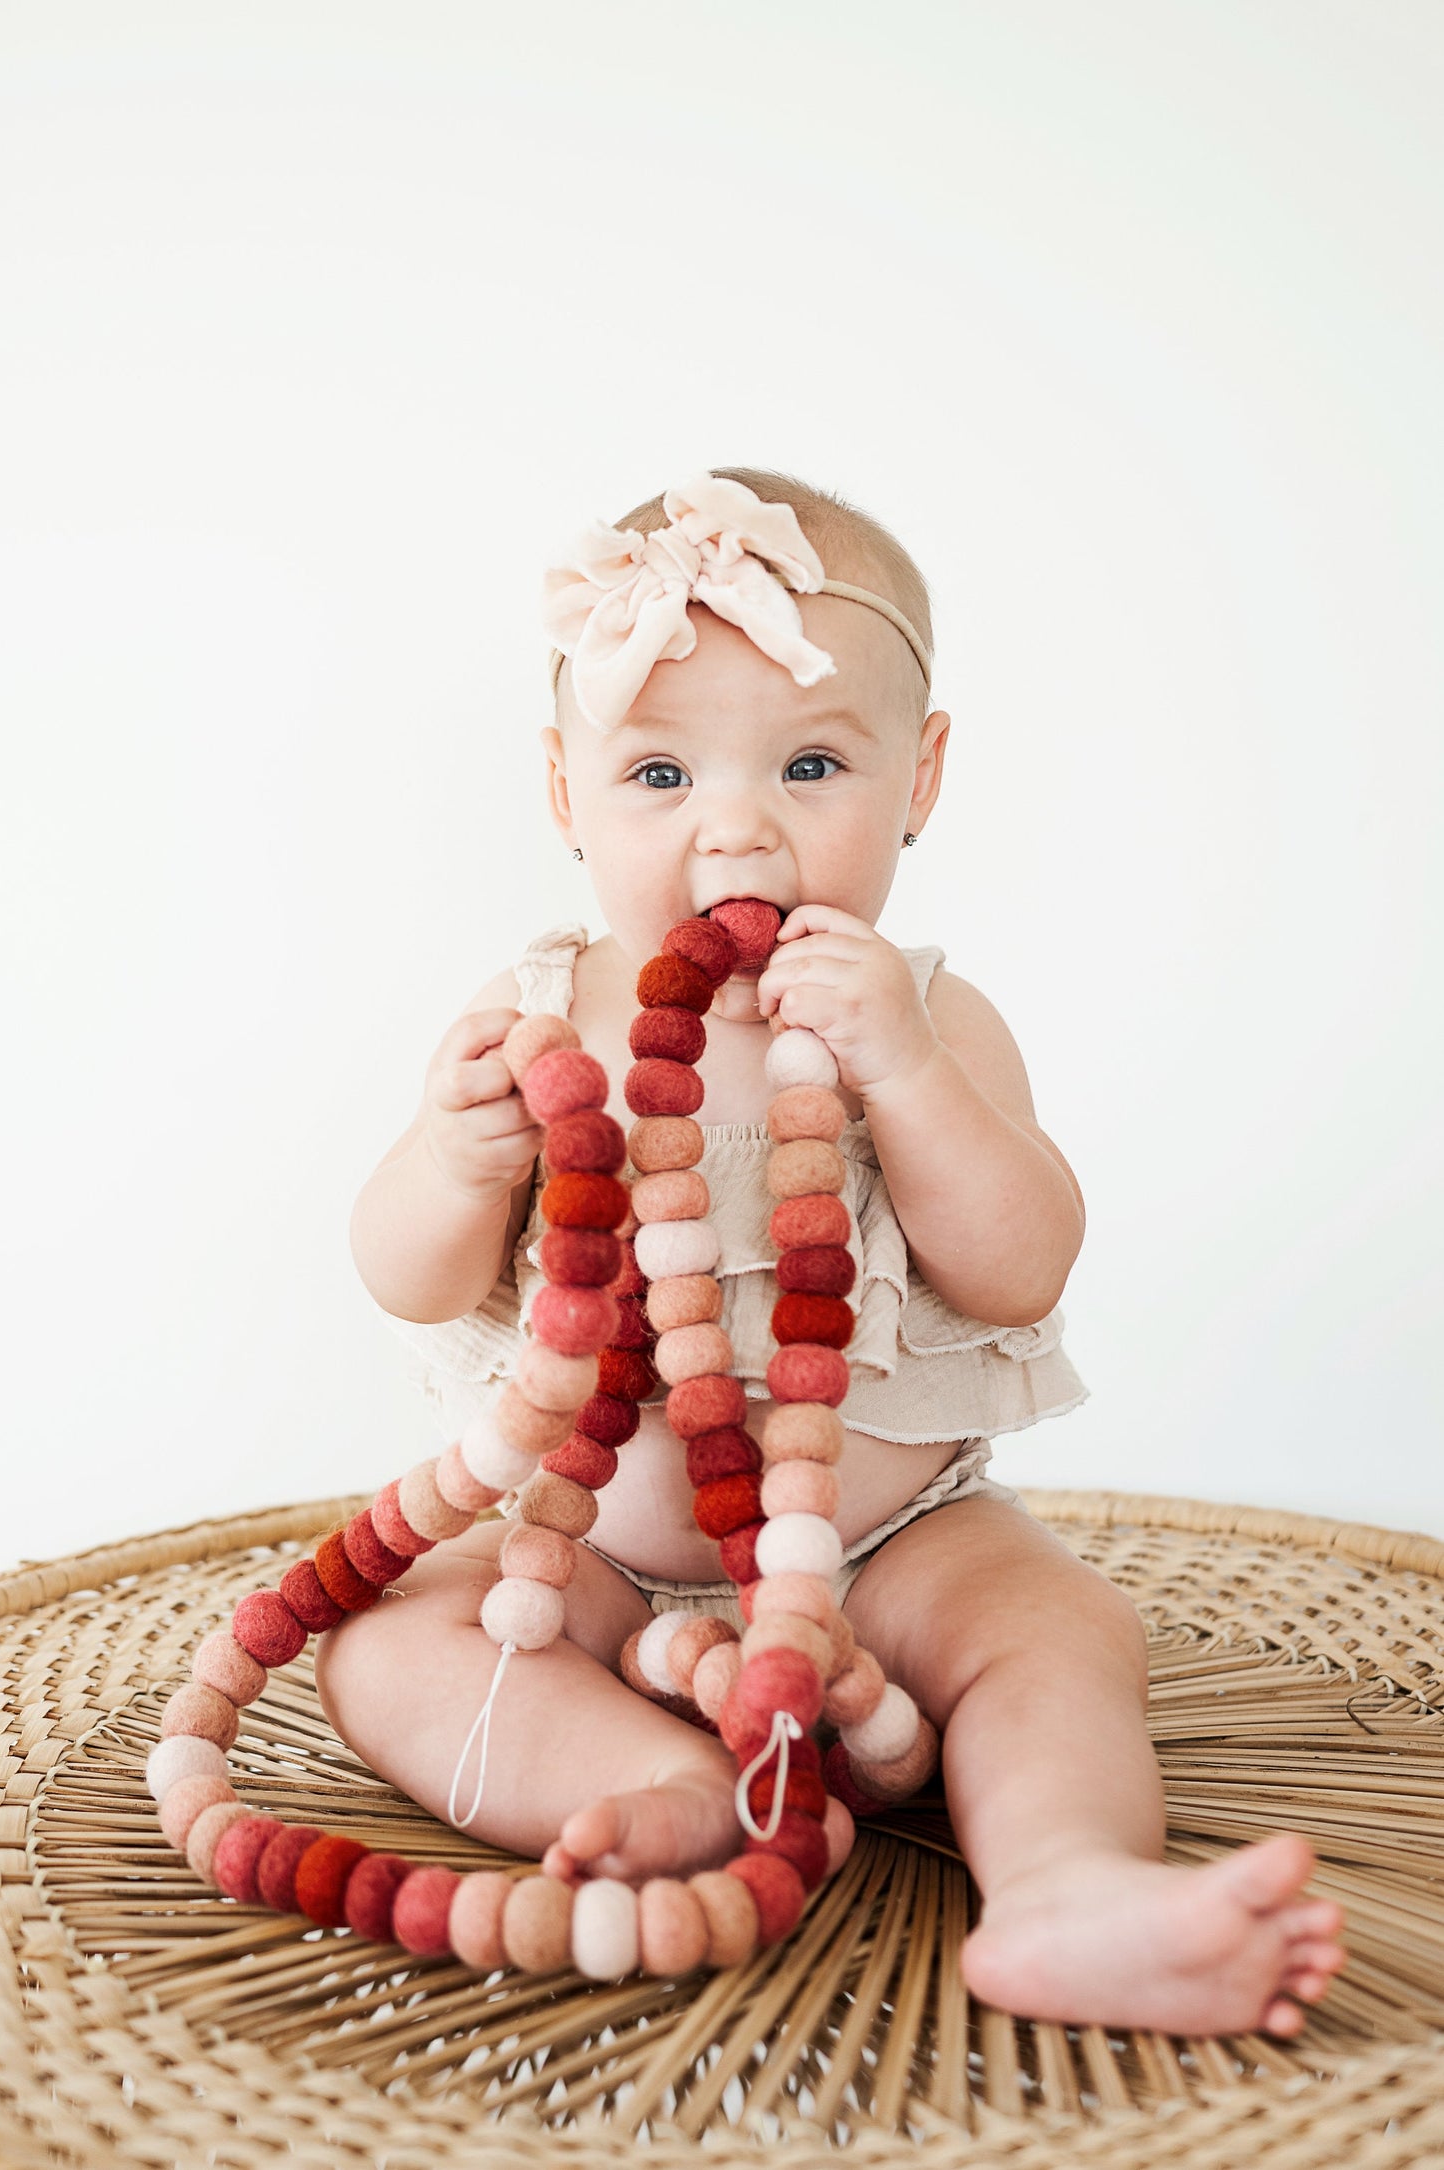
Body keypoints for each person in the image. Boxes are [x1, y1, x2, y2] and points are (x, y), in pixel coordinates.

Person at [318, 467, 1345, 2034]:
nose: (735, 824)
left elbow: (1019, 1270)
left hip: (896, 1547)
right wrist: (457, 1156)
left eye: (809, 763)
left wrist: (909, 1077)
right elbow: (414, 1276)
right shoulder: (534, 1017)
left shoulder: (928, 1014)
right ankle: (665, 1781)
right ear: (560, 792)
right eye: (657, 774)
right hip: (585, 1556)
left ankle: (1066, 1881)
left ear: (920, 777)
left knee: (1061, 1631)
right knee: (389, 1645)